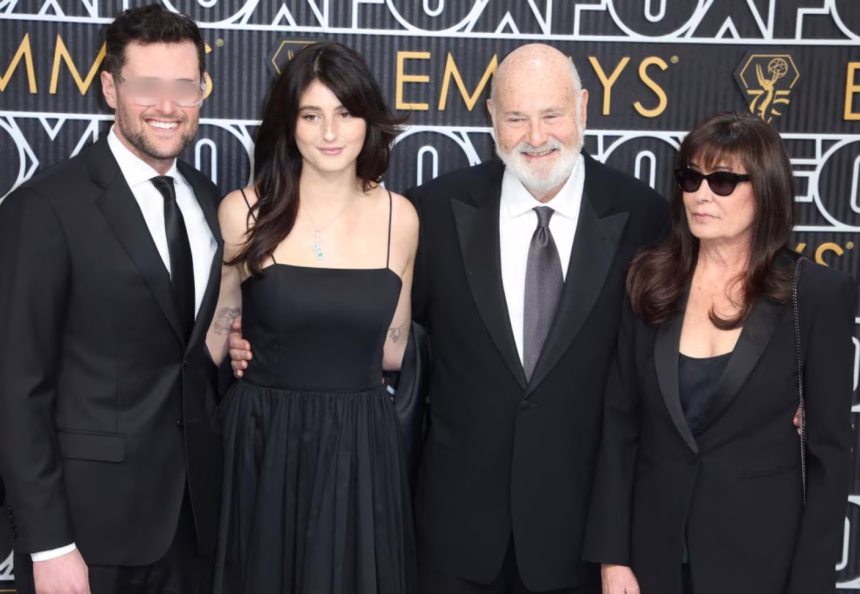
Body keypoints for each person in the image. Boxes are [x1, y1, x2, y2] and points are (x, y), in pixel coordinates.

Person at [229, 43, 668, 593]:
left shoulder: (646, 217)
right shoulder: (431, 211)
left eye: (551, 114)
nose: (535, 136)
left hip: (579, 544)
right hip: (452, 538)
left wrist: (617, 546)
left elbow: (649, 393)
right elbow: (368, 325)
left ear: (582, 107)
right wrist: (262, 337)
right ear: (491, 117)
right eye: (516, 117)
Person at [583, 111, 856, 594]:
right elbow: (620, 425)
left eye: (723, 181)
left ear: (766, 190)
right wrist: (613, 557)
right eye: (691, 178)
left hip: (762, 563)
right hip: (653, 559)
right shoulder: (650, 281)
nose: (701, 195)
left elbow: (829, 461)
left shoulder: (815, 296)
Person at [0, 5, 222, 594]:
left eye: (185, 86)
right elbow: (17, 389)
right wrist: (49, 544)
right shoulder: (45, 208)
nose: (168, 106)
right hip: (87, 535)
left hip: (196, 527)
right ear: (109, 88)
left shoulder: (208, 199)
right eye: (147, 85)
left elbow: (187, 348)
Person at [205, 41, 419, 594]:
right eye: (311, 115)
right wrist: (235, 341)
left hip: (360, 446)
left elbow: (394, 348)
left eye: (345, 113)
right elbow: (216, 333)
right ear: (289, 123)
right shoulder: (243, 212)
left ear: (368, 120)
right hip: (263, 440)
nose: (330, 132)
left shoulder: (400, 218)